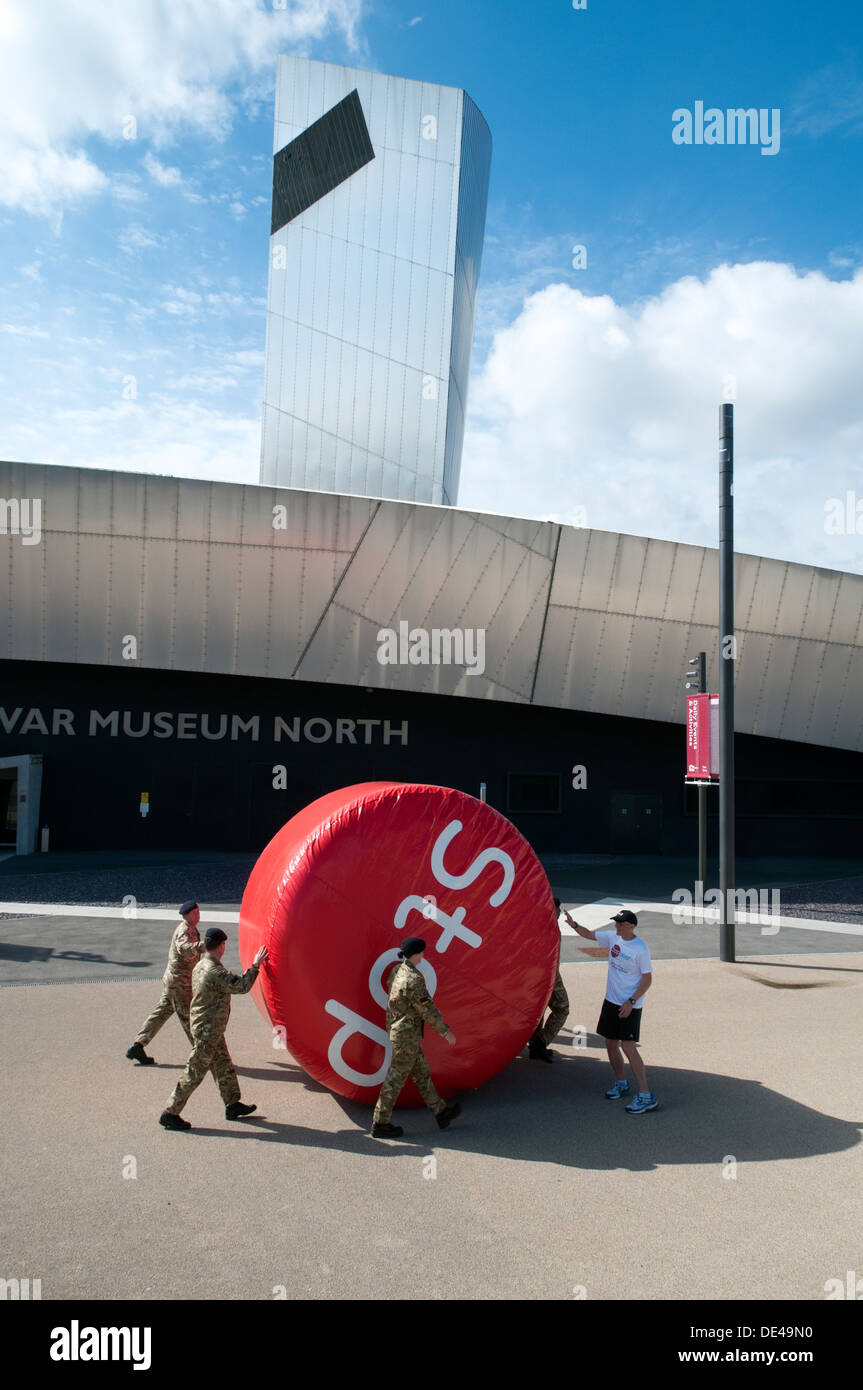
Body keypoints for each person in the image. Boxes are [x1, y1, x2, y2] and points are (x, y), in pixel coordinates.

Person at [159, 928, 268, 1131]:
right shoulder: (215, 971)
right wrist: (255, 965)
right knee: (195, 1072)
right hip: (207, 1031)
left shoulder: (200, 965)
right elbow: (242, 986)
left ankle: (232, 1104)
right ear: (221, 946)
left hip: (209, 1028)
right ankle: (170, 1112)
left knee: (224, 1066)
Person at [564, 908, 658, 1113]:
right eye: (616, 922)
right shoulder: (612, 937)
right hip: (611, 1001)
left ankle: (645, 1095)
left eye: (620, 924)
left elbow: (647, 979)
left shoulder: (640, 949)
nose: (616, 926)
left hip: (629, 1005)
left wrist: (631, 1002)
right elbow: (589, 934)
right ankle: (621, 1083)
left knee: (628, 1046)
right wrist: (574, 925)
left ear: (630, 927)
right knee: (610, 1042)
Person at [371, 936, 461, 1139]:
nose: (423, 955)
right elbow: (428, 1009)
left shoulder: (397, 970)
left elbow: (390, 988)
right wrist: (445, 1032)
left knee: (421, 1074)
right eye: (422, 952)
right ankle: (380, 1122)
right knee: (395, 1080)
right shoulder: (414, 980)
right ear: (416, 954)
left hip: (400, 1032)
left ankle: (440, 1112)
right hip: (407, 1037)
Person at [126, 899, 203, 1065]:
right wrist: (203, 946)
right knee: (189, 1017)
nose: (198, 915)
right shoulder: (184, 931)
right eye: (194, 913)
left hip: (177, 982)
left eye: (198, 912)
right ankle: (202, 1054)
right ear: (186, 915)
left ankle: (138, 1045)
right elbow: (184, 949)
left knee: (161, 1013)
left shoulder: (192, 929)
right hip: (179, 984)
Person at [527, 897, 570, 1062]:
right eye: (557, 909)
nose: (558, 912)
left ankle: (536, 1045)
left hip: (538, 974)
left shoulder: (538, 923)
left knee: (539, 1009)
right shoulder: (545, 926)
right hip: (548, 974)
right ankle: (539, 1042)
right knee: (562, 1008)